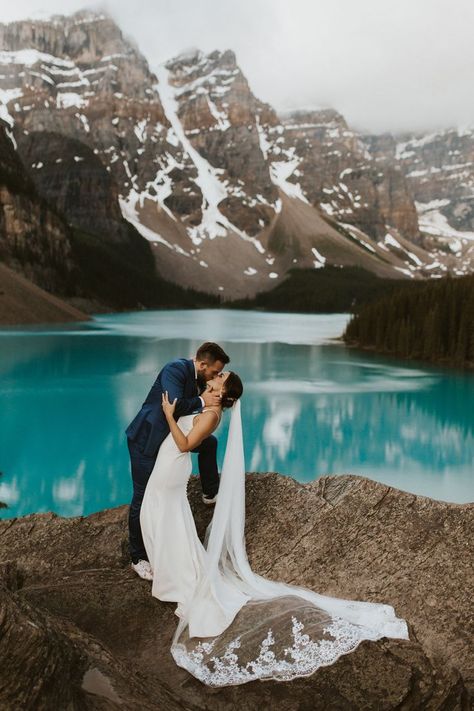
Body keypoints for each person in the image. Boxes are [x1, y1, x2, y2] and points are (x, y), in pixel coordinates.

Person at [139, 372, 409, 687]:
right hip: (168, 465)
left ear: (225, 391)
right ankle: (170, 569)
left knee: (162, 513)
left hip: (173, 465)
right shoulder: (206, 401)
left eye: (221, 377)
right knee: (162, 515)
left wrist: (171, 416)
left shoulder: (212, 414)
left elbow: (185, 444)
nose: (217, 375)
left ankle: (175, 577)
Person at [125, 342, 230, 581]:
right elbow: (174, 406)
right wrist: (204, 402)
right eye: (214, 372)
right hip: (147, 440)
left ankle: (209, 493)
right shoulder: (175, 369)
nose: (214, 377)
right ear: (202, 364)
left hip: (171, 440)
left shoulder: (202, 378)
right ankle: (138, 557)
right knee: (141, 497)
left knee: (210, 443)